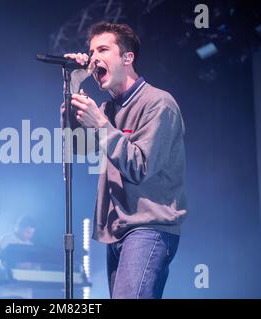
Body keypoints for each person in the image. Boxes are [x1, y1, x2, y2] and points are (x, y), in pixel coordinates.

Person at [61, 21, 187, 299]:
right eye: (91, 52)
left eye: (103, 49)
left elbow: (141, 167)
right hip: (117, 230)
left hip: (149, 227)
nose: (93, 59)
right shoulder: (107, 108)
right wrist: (73, 87)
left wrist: (101, 124)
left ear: (127, 58)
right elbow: (76, 149)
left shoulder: (158, 103)